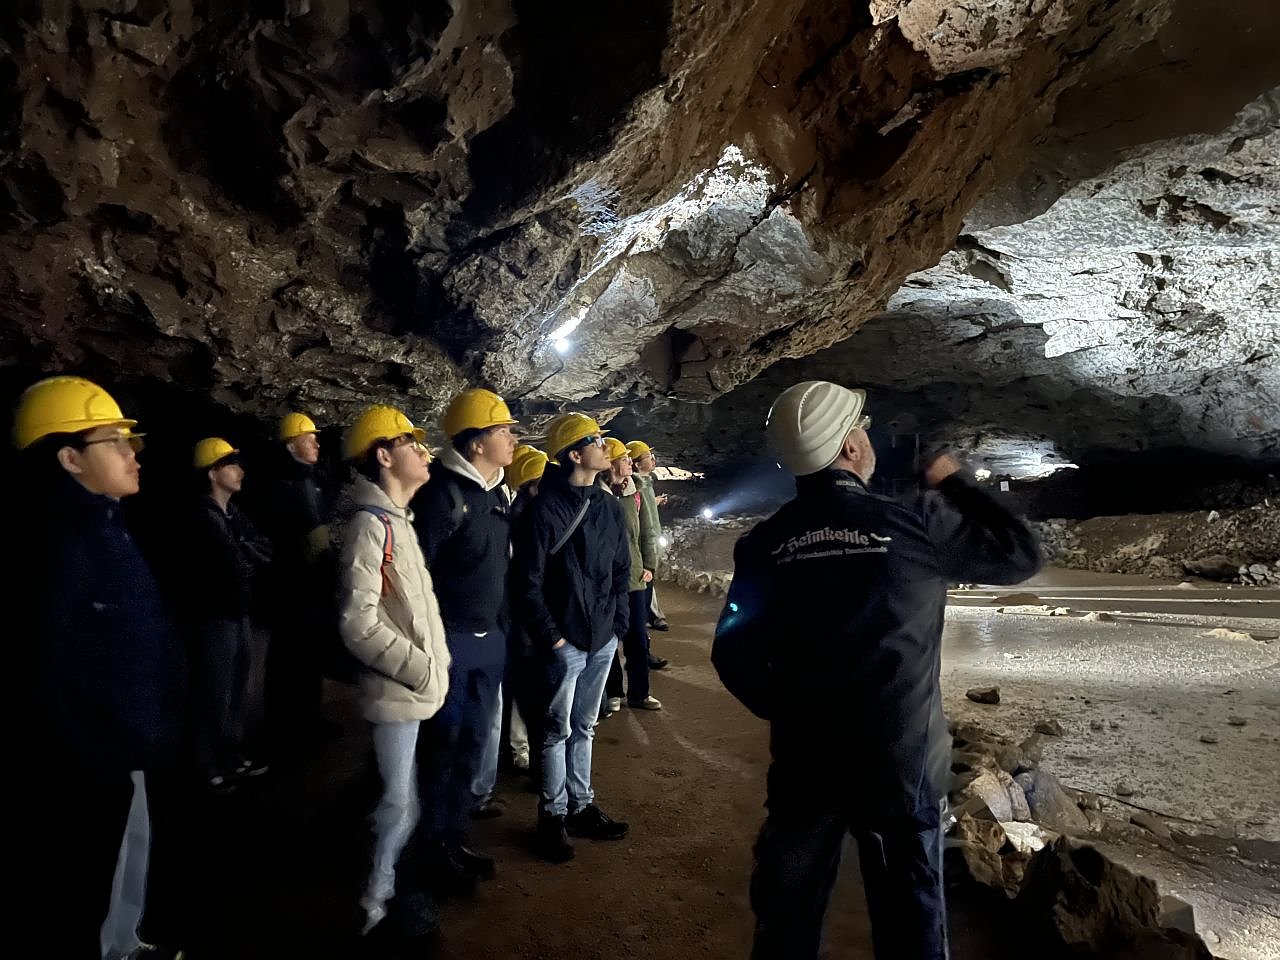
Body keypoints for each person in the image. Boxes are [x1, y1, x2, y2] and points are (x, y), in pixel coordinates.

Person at [712, 380, 1043, 960]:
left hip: (806, 761)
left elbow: (732, 652)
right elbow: (1020, 555)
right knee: (910, 920)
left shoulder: (765, 544)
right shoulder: (914, 523)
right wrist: (953, 482)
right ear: (850, 447)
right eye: (861, 428)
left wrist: (792, 711)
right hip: (899, 764)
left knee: (787, 916)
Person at [4, 376, 184, 958]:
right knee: (76, 884)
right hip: (90, 759)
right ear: (69, 458)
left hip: (121, 746)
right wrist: (90, 750)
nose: (134, 455)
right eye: (115, 442)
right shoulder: (55, 541)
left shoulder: (102, 525)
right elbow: (39, 662)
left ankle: (122, 945)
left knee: (123, 861)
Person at [337, 404, 449, 943]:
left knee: (402, 801)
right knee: (396, 804)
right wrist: (421, 669)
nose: (425, 453)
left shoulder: (396, 521)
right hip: (397, 690)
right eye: (412, 444)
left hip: (410, 691)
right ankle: (374, 910)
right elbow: (357, 623)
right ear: (384, 456)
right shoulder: (370, 526)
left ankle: (389, 896)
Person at [409, 387, 518, 891]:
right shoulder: (441, 496)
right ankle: (431, 851)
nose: (512, 439)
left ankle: (453, 839)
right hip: (450, 645)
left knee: (473, 747)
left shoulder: (494, 493)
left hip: (487, 643)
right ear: (476, 442)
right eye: (503, 431)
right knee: (441, 750)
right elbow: (417, 578)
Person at [513, 413, 632, 863]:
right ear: (574, 455)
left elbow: (620, 569)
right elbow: (527, 582)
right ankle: (552, 816)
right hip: (565, 643)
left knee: (584, 726)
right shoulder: (545, 510)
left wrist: (617, 626)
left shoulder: (607, 507)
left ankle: (581, 806)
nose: (605, 446)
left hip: (600, 639)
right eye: (595, 440)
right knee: (554, 731)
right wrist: (555, 640)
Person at [187, 437, 273, 789]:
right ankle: (207, 765)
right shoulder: (201, 517)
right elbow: (231, 564)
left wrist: (243, 552)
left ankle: (230, 754)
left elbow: (264, 550)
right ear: (212, 473)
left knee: (236, 689)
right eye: (230, 465)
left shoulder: (233, 515)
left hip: (238, 612)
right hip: (215, 615)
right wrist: (244, 554)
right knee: (215, 691)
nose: (240, 471)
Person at [264, 411, 334, 752]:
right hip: (292, 587)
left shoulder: (312, 480)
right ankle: (285, 729)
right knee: (289, 657)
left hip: (309, 585)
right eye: (309, 438)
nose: (316, 443)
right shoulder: (283, 484)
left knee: (309, 655)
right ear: (292, 444)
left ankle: (308, 720)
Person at [602, 437, 661, 712]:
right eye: (624, 459)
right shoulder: (598, 493)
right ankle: (614, 691)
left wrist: (650, 565)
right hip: (606, 579)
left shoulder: (635, 492)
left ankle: (640, 692)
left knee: (637, 636)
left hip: (635, 576)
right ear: (611, 464)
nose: (629, 463)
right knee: (608, 638)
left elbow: (647, 531)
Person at [503, 444, 549, 772]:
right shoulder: (524, 518)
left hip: (528, 617)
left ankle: (523, 748)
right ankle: (521, 749)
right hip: (525, 618)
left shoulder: (525, 513)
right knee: (527, 690)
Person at [628, 440, 672, 649]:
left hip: (649, 542)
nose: (653, 460)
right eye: (648, 457)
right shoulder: (633, 487)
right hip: (642, 547)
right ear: (637, 464)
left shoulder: (646, 484)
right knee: (644, 587)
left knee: (648, 587)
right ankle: (647, 627)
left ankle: (650, 620)